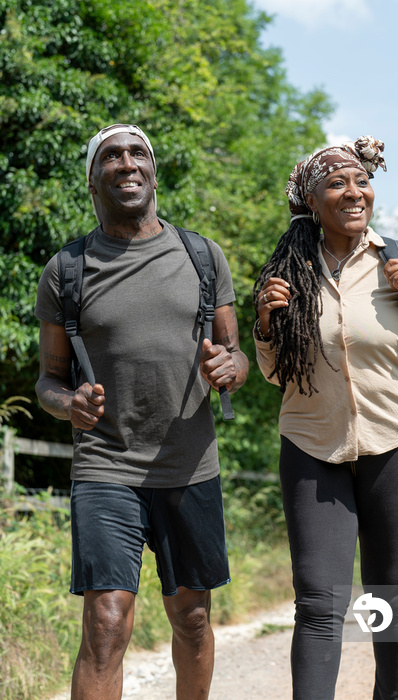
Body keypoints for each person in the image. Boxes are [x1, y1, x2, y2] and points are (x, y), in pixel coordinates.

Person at [253, 136, 398, 700]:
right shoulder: (287, 270)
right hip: (312, 445)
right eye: (337, 184)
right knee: (317, 600)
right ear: (311, 200)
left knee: (391, 590)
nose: (355, 194)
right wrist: (263, 325)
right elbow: (277, 373)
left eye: (362, 183)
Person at [35, 123, 249, 700]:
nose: (126, 163)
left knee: (193, 620)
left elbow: (235, 353)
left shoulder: (202, 256)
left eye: (137, 153)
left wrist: (231, 368)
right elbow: (49, 382)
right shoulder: (67, 270)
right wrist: (70, 405)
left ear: (152, 172)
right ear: (93, 179)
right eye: (111, 156)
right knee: (106, 625)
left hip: (189, 465)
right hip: (106, 465)